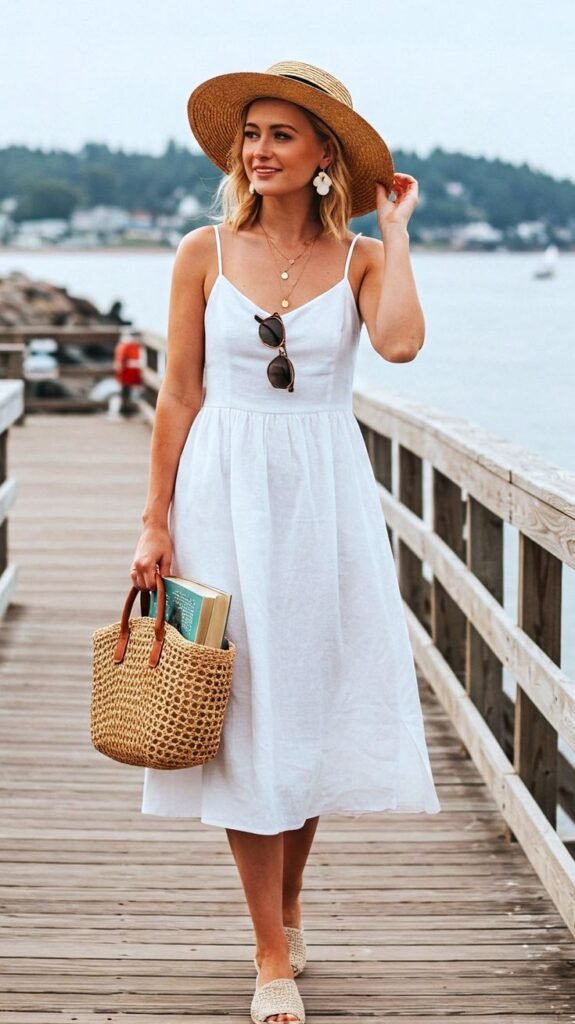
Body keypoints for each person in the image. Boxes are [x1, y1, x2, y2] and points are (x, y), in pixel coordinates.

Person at [130, 60, 441, 1024]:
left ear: (322, 158)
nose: (257, 152)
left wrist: (391, 230)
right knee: (244, 716)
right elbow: (177, 393)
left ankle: (291, 898)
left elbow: (397, 346)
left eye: (280, 137)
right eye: (250, 135)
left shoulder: (357, 261)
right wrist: (155, 517)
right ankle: (270, 952)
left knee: (302, 705)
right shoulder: (201, 252)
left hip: (323, 497)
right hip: (222, 489)